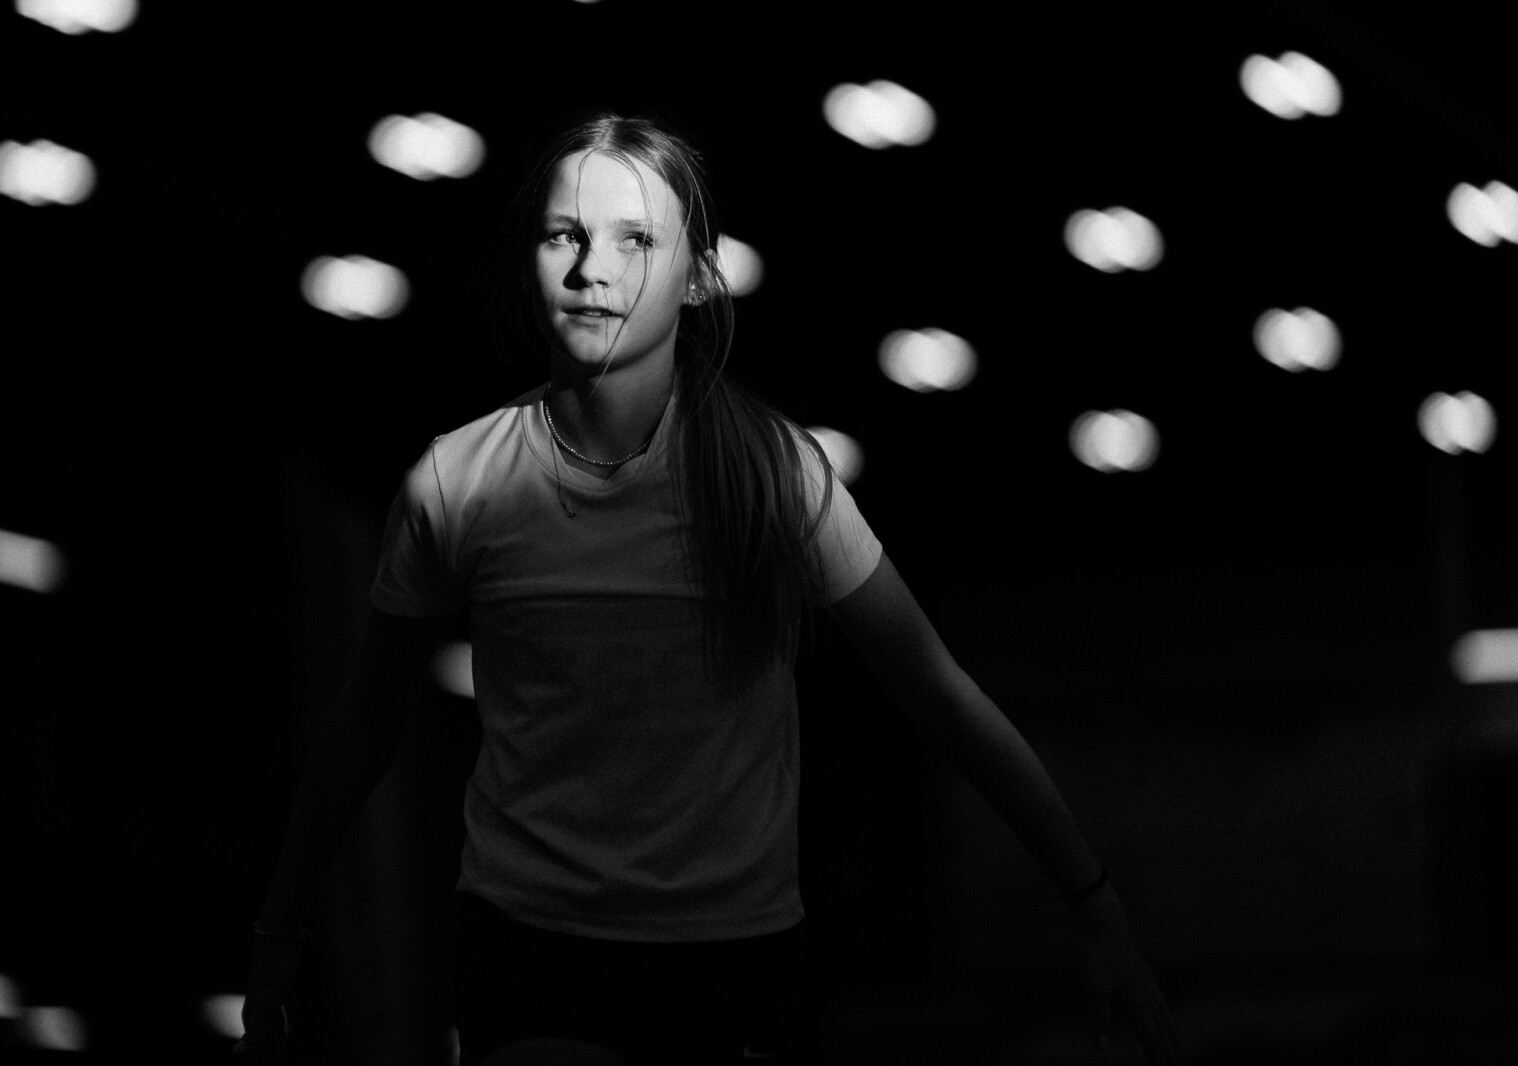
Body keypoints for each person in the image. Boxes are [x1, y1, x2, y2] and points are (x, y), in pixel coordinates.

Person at [237, 111, 1180, 1065]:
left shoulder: (775, 476)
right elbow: (369, 718)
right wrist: (278, 933)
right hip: (530, 939)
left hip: (732, 954)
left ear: (697, 276)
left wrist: (1095, 904)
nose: (591, 269)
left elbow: (937, 692)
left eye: (635, 240)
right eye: (564, 235)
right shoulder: (459, 482)